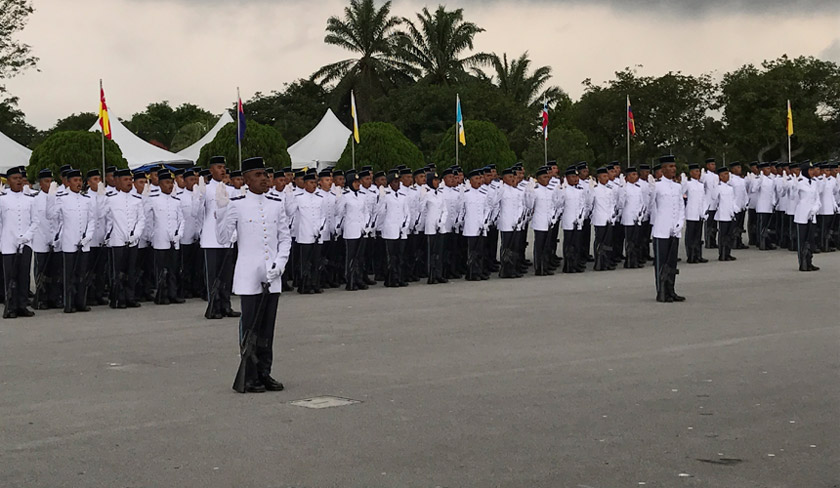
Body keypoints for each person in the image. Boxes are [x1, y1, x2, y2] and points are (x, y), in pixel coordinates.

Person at [215, 157, 291, 393]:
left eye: (265, 174)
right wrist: (221, 210)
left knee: (268, 328)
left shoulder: (276, 204)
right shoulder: (237, 204)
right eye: (258, 175)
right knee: (250, 327)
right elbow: (222, 238)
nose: (264, 179)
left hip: (272, 274)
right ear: (246, 180)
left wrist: (279, 264)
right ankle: (249, 374)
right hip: (248, 275)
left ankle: (265, 372)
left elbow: (285, 238)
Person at [48, 168, 97, 313]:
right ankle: (68, 303)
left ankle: (81, 302)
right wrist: (51, 197)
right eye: (75, 181)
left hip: (84, 242)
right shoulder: (62, 199)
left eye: (80, 180)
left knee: (82, 274)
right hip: (69, 241)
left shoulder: (86, 200)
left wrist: (88, 236)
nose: (79, 183)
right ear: (68, 183)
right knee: (69, 275)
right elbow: (50, 215)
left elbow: (92, 220)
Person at [197, 156, 240, 319]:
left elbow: (235, 214)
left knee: (226, 275)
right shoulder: (206, 190)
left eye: (223, 167)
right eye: (218, 167)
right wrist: (198, 196)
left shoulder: (231, 191)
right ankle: (213, 306)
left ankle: (226, 305)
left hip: (227, 239)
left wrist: (234, 232)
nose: (222, 170)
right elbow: (197, 214)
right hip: (210, 238)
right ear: (211, 170)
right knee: (213, 276)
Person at [102, 168, 144, 309]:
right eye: (125, 180)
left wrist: (136, 234)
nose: (129, 182)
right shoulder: (110, 199)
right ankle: (118, 298)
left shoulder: (137, 200)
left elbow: (141, 219)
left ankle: (130, 297)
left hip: (133, 239)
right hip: (117, 239)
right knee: (118, 271)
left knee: (131, 270)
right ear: (117, 181)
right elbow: (103, 217)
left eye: (130, 180)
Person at [0, 166, 38, 318]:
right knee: (10, 276)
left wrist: (27, 236)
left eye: (21, 179)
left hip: (26, 242)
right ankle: (11, 306)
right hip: (8, 243)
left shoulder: (30, 200)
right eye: (15, 179)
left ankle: (22, 305)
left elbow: (35, 221)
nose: (19, 181)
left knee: (23, 275)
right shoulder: (2, 199)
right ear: (8, 181)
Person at [145, 169, 185, 304]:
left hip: (174, 240)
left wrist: (179, 234)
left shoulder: (176, 201)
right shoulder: (154, 200)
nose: (170, 185)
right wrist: (151, 236)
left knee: (174, 268)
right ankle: (162, 294)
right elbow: (149, 221)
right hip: (160, 239)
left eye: (171, 183)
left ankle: (173, 293)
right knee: (161, 269)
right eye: (167, 182)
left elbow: (182, 220)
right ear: (161, 184)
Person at [651, 155, 686, 303]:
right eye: (670, 167)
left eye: (674, 166)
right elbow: (651, 207)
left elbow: (680, 207)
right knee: (661, 262)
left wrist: (679, 223)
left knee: (672, 262)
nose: (673, 169)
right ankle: (661, 291)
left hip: (674, 229)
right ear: (663, 169)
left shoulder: (678, 187)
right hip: (661, 229)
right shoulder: (656, 186)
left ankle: (671, 290)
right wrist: (658, 223)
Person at [286, 172, 327, 294]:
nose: (313, 185)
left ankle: (315, 283)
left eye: (315, 183)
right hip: (304, 234)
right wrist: (289, 197)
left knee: (316, 261)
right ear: (304, 184)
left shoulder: (320, 198)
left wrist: (320, 228)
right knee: (305, 262)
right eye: (310, 182)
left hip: (318, 234)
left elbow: (323, 215)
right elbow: (290, 212)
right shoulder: (298, 197)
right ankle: (305, 284)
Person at [31, 169, 62, 309]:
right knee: (42, 271)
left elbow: (59, 220)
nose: (49, 184)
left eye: (51, 181)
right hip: (40, 238)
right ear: (40, 183)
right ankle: (41, 298)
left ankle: (53, 298)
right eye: (46, 182)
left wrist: (56, 236)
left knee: (54, 271)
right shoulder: (36, 200)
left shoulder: (57, 198)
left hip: (55, 240)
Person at [461, 168, 490, 281]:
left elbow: (487, 207)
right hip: (471, 226)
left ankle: (479, 270)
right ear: (470, 181)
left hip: (481, 226)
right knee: (472, 251)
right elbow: (461, 209)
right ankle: (471, 272)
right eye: (476, 179)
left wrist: (485, 220)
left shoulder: (483, 194)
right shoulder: (466, 194)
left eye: (479, 178)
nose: (479, 181)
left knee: (480, 251)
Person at [531, 167, 560, 275]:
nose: (547, 179)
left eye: (548, 177)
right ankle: (538, 268)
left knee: (547, 245)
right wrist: (529, 194)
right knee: (539, 246)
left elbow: (554, 205)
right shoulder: (535, 191)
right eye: (544, 177)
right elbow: (530, 206)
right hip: (539, 222)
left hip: (548, 221)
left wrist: (553, 217)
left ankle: (546, 266)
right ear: (538, 179)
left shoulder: (550, 191)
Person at [793, 161, 822, 271]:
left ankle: (809, 261)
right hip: (802, 215)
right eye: (810, 170)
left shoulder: (814, 183)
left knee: (810, 240)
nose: (812, 172)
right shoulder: (799, 182)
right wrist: (793, 185)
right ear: (804, 171)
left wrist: (815, 208)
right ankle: (803, 263)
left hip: (812, 215)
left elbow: (817, 199)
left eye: (812, 169)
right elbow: (792, 197)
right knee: (802, 240)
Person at [618, 166, 646, 268]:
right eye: (633, 175)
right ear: (627, 177)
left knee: (636, 240)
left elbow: (641, 202)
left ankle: (636, 260)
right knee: (630, 241)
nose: (635, 176)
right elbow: (621, 204)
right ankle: (629, 261)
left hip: (637, 217)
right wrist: (623, 190)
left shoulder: (638, 188)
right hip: (629, 217)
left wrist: (640, 213)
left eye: (636, 174)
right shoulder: (624, 188)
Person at [681, 164, 709, 264]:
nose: (698, 174)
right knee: (690, 236)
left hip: (699, 213)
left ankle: (698, 255)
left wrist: (705, 211)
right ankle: (691, 256)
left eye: (699, 172)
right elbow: (681, 195)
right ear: (691, 173)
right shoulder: (688, 184)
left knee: (698, 236)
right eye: (696, 172)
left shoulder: (701, 185)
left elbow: (703, 199)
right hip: (691, 212)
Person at [591, 167, 617, 271]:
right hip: (599, 218)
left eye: (607, 176)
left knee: (608, 242)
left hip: (608, 218)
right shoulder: (595, 190)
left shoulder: (609, 190)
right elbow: (590, 204)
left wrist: (612, 216)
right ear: (598, 177)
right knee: (599, 241)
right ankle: (598, 262)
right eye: (604, 176)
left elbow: (612, 204)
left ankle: (607, 261)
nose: (606, 178)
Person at [560, 166, 584, 273]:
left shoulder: (580, 190)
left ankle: (576, 263)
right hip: (568, 220)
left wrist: (581, 217)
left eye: (577, 176)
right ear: (567, 178)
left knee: (577, 243)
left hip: (578, 220)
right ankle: (568, 265)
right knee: (568, 243)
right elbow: (559, 205)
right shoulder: (564, 190)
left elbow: (583, 205)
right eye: (573, 176)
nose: (576, 179)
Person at [713, 166, 737, 261]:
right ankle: (722, 254)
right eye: (725, 174)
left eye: (728, 174)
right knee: (723, 235)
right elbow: (714, 199)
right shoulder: (718, 188)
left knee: (729, 235)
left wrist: (735, 209)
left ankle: (728, 253)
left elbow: (732, 200)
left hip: (730, 214)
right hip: (722, 214)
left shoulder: (730, 188)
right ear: (720, 176)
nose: (727, 176)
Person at [751, 162, 777, 250]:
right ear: (762, 170)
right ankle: (761, 243)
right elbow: (754, 189)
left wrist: (774, 202)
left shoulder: (771, 180)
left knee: (767, 226)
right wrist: (760, 180)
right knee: (761, 226)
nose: (769, 170)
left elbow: (773, 192)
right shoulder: (758, 179)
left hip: (769, 206)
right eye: (767, 169)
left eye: (769, 168)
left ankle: (767, 242)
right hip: (762, 207)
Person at [701, 158, 719, 249]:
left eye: (714, 164)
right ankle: (708, 241)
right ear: (707, 166)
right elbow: (702, 187)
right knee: (709, 224)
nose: (713, 166)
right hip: (708, 203)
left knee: (714, 224)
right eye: (711, 164)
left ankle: (713, 241)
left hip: (715, 203)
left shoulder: (716, 176)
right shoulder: (705, 176)